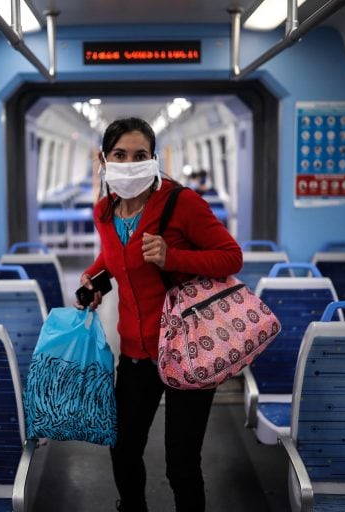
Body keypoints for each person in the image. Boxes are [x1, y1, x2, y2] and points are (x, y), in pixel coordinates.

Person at [75, 117, 242, 512]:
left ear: (153, 159)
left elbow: (231, 255)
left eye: (140, 155)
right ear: (104, 159)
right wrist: (94, 280)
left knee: (181, 465)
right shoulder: (105, 211)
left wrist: (173, 256)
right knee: (124, 449)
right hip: (135, 354)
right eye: (120, 155)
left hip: (187, 348)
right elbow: (116, 260)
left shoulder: (182, 203)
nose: (129, 162)